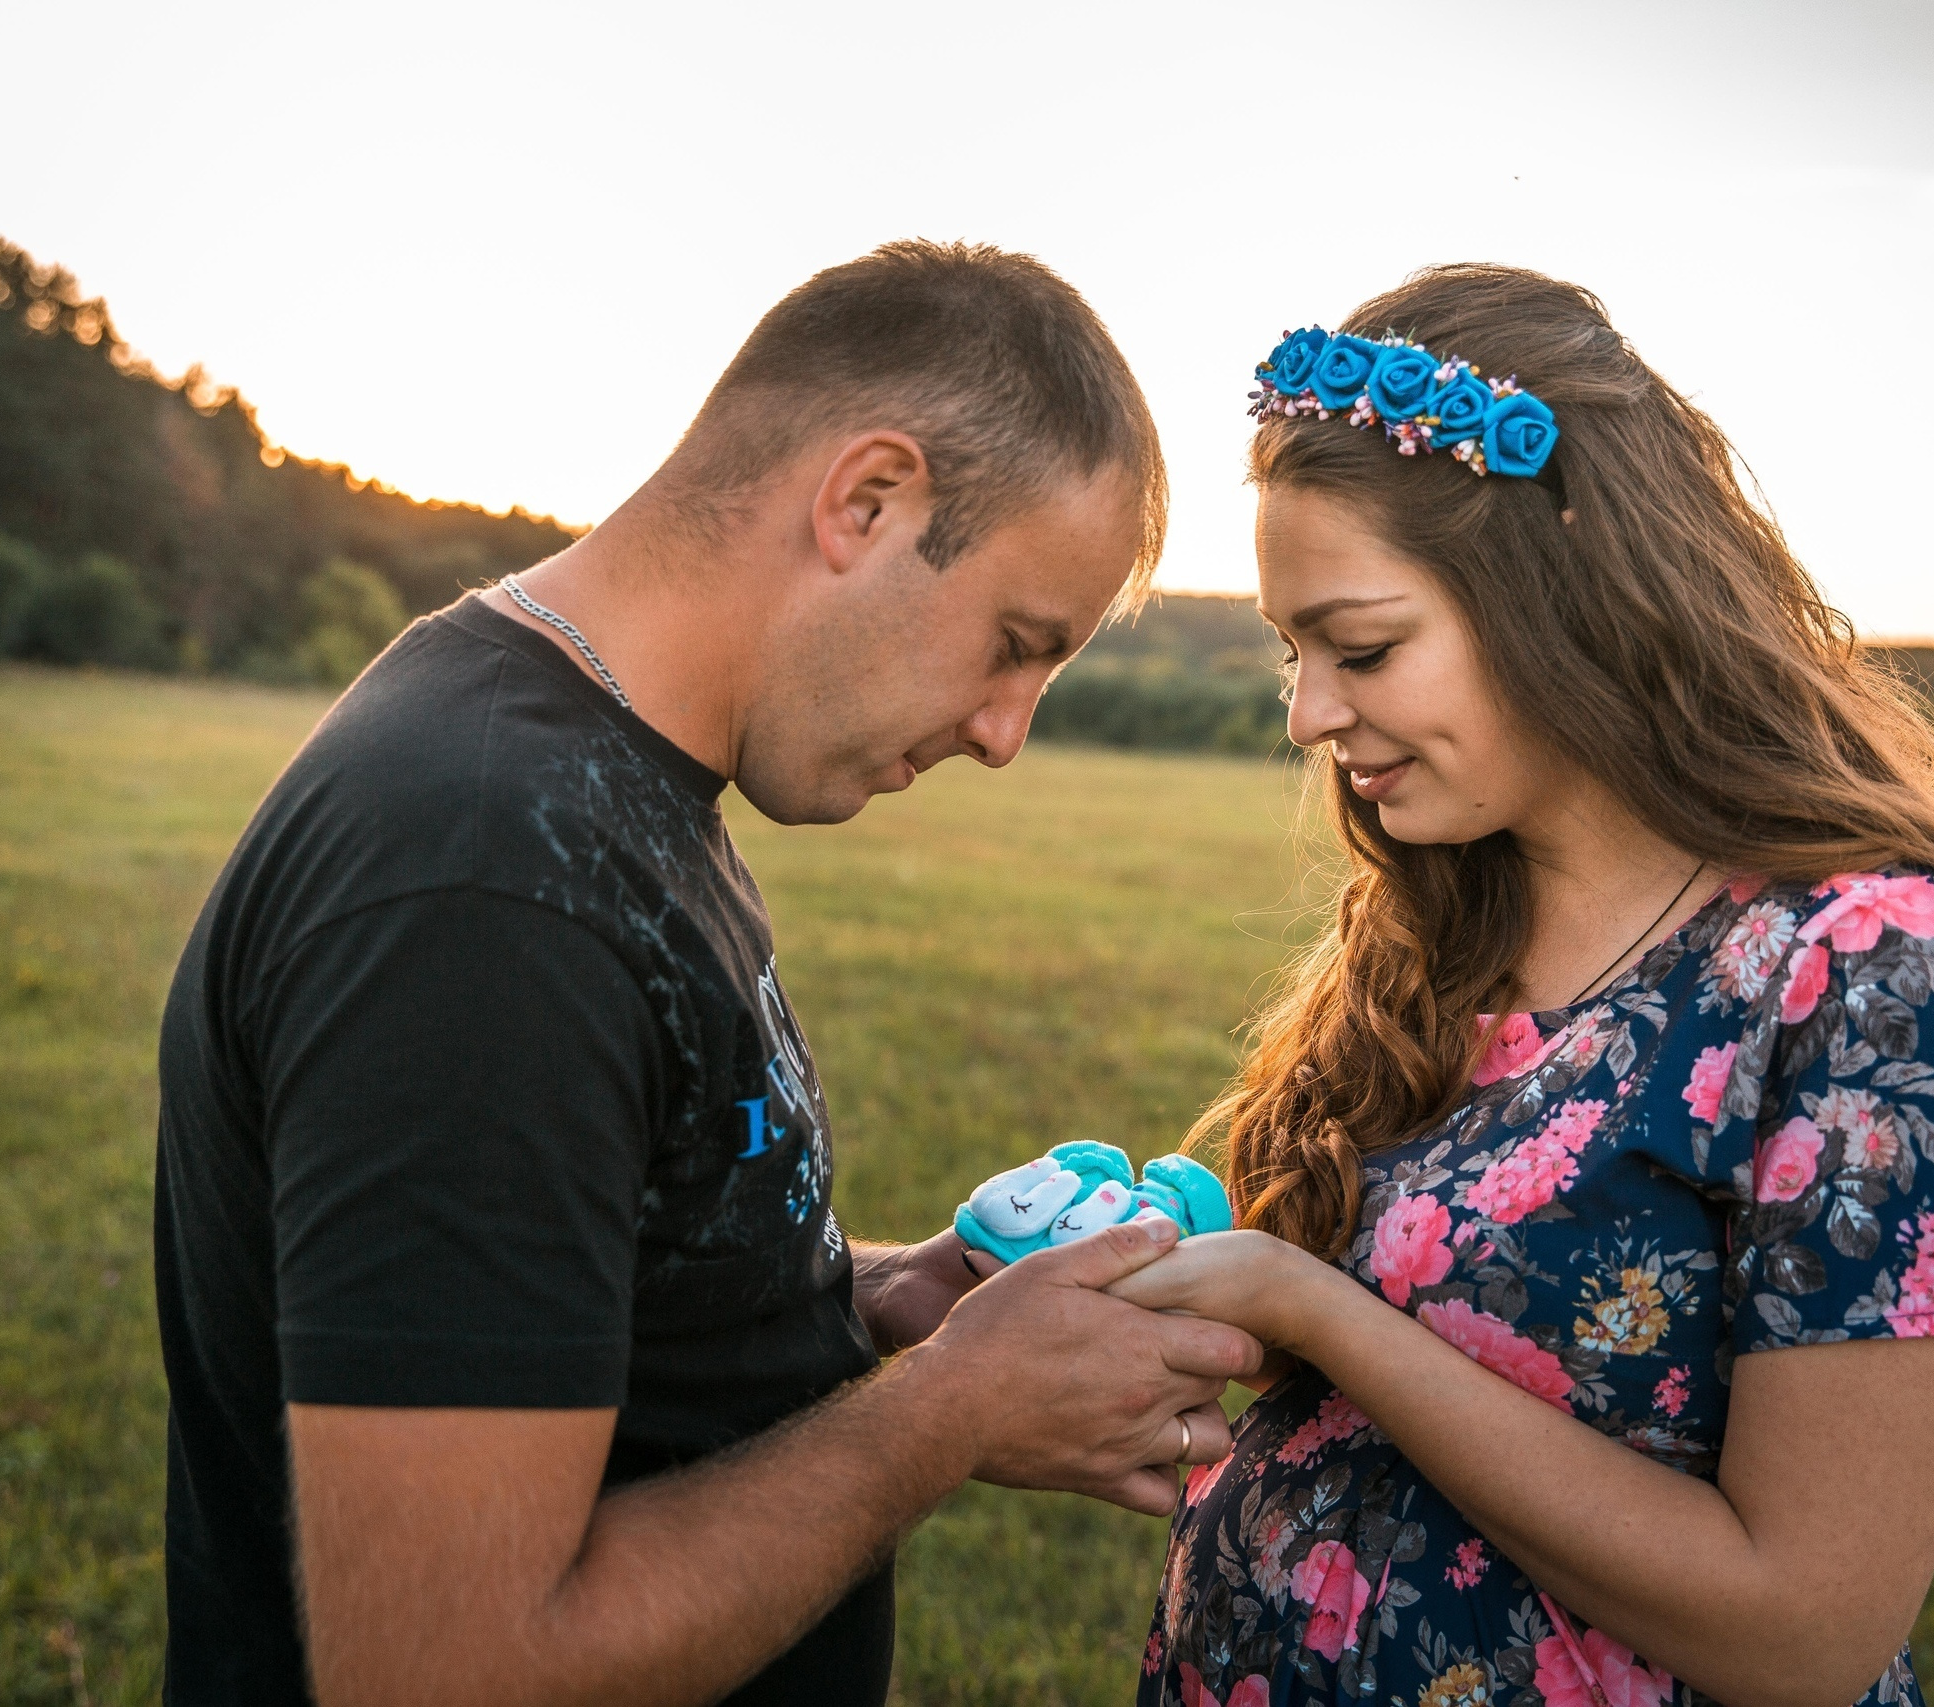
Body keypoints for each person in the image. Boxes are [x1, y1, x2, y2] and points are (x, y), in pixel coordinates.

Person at [151, 239, 1260, 1707]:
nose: (1006, 734)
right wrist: (949, 1411)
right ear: (867, 501)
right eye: (1012, 644)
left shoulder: (599, 792)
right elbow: (446, 1669)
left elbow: (590, 1286)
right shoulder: (489, 883)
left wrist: (877, 1301)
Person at [1108, 266, 1934, 1707]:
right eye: (1292, 652)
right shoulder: (1443, 912)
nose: (1308, 713)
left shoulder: (1869, 970)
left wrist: (1328, 1314)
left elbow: (1804, 1630)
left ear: (1555, 590)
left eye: (1363, 647)